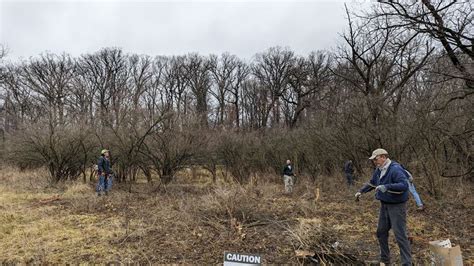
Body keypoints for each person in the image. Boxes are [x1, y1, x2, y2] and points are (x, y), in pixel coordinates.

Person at [355, 148, 411, 265]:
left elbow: (404, 185)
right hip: (384, 205)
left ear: (383, 157)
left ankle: (407, 263)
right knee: (381, 232)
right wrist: (361, 191)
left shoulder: (395, 169)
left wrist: (387, 186)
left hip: (397, 206)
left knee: (400, 235)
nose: (375, 162)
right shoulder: (379, 170)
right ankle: (385, 260)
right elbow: (372, 183)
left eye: (376, 159)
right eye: (374, 160)